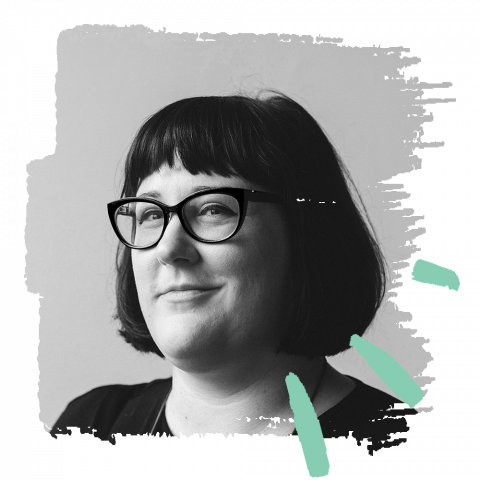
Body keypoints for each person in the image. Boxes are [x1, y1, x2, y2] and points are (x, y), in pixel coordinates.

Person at [50, 91, 417, 451]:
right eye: (150, 214)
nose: (168, 249)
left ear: (306, 235)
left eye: (213, 209)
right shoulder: (91, 424)